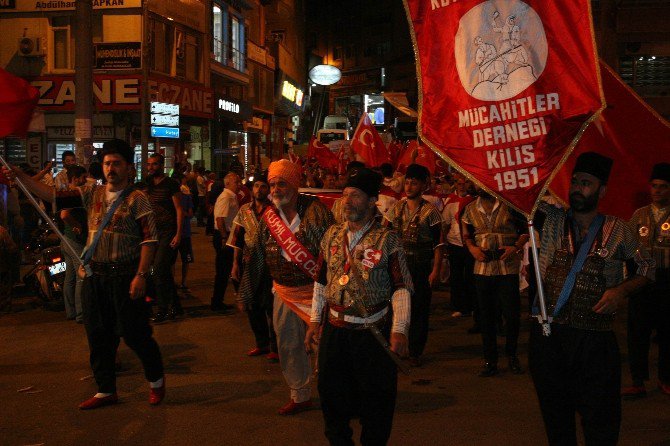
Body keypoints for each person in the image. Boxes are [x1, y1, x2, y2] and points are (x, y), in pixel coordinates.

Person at [3, 139, 165, 409]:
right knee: (97, 334)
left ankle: (156, 380)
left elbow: (149, 241)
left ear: (128, 167)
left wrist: (141, 275)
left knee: (134, 333)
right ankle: (105, 389)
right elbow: (50, 195)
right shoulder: (92, 192)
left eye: (116, 164)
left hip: (125, 276)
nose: (111, 168)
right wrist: (19, 175)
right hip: (94, 276)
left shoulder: (138, 199)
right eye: (107, 163)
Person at [529, 152, 655, 445]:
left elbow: (647, 268)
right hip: (549, 338)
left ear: (602, 191)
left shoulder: (619, 229)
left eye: (586, 183)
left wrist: (621, 290)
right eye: (574, 182)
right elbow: (519, 198)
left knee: (601, 422)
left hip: (595, 342)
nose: (577, 188)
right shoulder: (550, 219)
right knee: (556, 419)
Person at [305, 168, 413, 445]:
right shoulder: (331, 235)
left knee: (376, 405)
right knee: (331, 399)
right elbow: (320, 280)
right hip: (335, 332)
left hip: (372, 334)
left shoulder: (387, 239)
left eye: (355, 195)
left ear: (372, 200)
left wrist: (399, 330)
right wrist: (315, 320)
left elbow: (401, 288)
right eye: (344, 195)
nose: (347, 201)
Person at [239, 159, 333, 415]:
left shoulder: (317, 212)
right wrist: (246, 292)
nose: (276, 189)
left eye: (281, 183)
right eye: (272, 184)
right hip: (283, 291)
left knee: (325, 346)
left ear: (294, 184)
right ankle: (300, 395)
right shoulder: (268, 217)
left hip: (317, 291)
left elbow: (331, 253)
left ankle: (336, 394)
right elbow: (257, 255)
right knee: (289, 345)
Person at [461, 188, 528, 377]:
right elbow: (466, 233)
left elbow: (526, 230)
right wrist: (472, 248)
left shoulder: (511, 205)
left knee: (512, 315)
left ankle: (512, 355)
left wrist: (515, 247)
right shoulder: (470, 208)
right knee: (486, 317)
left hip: (507, 267)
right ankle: (490, 360)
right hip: (482, 268)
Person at [385, 164, 443, 367]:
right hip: (398, 267)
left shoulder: (431, 212)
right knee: (396, 308)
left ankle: (415, 352)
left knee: (418, 310)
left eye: (414, 183)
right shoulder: (396, 208)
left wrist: (435, 270)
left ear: (423, 186)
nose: (409, 187)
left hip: (420, 267)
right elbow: (385, 235)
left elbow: (438, 245)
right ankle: (397, 348)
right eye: (407, 182)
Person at [622, 162, 670, 398]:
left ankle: (665, 378)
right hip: (642, 281)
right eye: (654, 186)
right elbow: (627, 246)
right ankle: (638, 381)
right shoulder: (638, 215)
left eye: (662, 187)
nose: (657, 191)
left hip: (667, 281)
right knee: (637, 332)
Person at [228, 174, 278, 361]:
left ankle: (275, 347)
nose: (259, 189)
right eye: (256, 186)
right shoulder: (244, 211)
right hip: (249, 263)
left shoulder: (275, 210)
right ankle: (261, 344)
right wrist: (235, 264)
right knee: (252, 305)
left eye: (263, 186)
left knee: (271, 307)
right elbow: (237, 239)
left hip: (270, 264)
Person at [141, 154, 183, 323]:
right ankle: (175, 306)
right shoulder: (148, 183)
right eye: (149, 164)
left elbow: (179, 209)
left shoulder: (171, 184)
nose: (151, 167)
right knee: (162, 271)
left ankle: (163, 308)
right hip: (153, 233)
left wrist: (178, 234)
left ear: (161, 165)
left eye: (155, 164)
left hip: (168, 232)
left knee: (158, 269)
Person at [442, 174, 476, 319]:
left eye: (465, 182)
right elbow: (445, 224)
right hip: (454, 243)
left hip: (471, 244)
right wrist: (443, 244)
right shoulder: (450, 202)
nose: (462, 185)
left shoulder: (474, 200)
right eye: (458, 182)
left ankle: (472, 306)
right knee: (456, 277)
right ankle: (458, 306)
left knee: (471, 276)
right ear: (455, 184)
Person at [59, 165, 88, 323]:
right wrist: (78, 225)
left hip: (66, 239)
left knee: (69, 276)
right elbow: (64, 215)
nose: (85, 180)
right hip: (74, 241)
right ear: (75, 178)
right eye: (83, 177)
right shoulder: (72, 194)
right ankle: (81, 314)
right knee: (81, 276)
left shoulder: (65, 193)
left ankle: (70, 311)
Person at [211, 172, 240, 313]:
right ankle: (217, 302)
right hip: (224, 235)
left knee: (229, 267)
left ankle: (237, 296)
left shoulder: (231, 196)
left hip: (228, 235)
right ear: (227, 183)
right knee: (223, 270)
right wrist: (224, 237)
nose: (239, 184)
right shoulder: (226, 197)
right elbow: (220, 219)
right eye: (236, 182)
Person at [176, 174, 195, 291]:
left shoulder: (186, 197)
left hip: (185, 232)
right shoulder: (169, 198)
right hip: (173, 233)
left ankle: (183, 282)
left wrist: (182, 213)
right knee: (170, 260)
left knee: (185, 259)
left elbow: (190, 213)